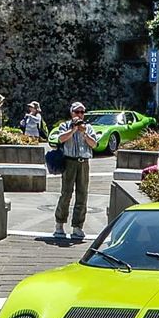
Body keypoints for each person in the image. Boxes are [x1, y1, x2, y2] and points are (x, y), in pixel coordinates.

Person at [52, 102, 99, 244]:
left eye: (82, 112)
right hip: (69, 161)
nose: (79, 115)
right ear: (71, 113)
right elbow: (60, 139)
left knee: (82, 194)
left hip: (83, 162)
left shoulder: (88, 128)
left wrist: (83, 132)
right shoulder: (65, 126)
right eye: (77, 112)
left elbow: (94, 144)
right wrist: (73, 130)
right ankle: (59, 223)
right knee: (66, 193)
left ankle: (77, 226)